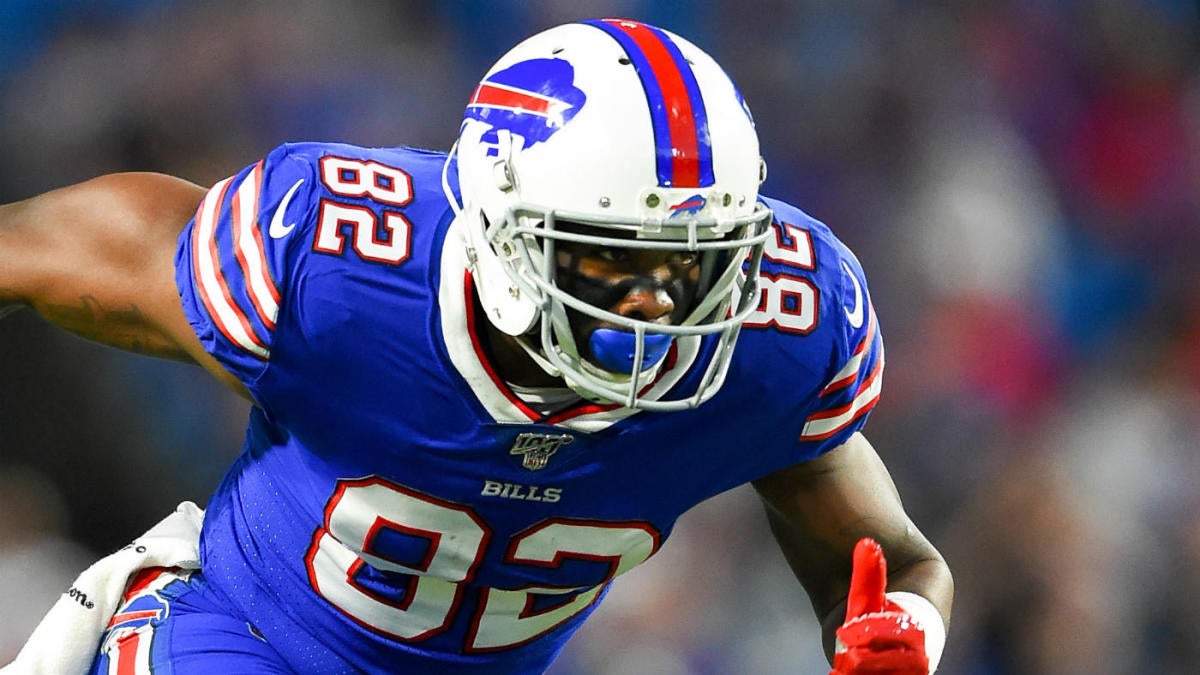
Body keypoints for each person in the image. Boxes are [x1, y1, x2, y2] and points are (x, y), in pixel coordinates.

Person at [0, 18, 952, 674]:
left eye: (691, 268)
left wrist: (901, 628)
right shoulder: (345, 282)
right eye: (608, 262)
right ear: (501, 228)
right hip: (245, 639)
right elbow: (31, 249)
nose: (657, 309)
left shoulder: (775, 349)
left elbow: (896, 564)